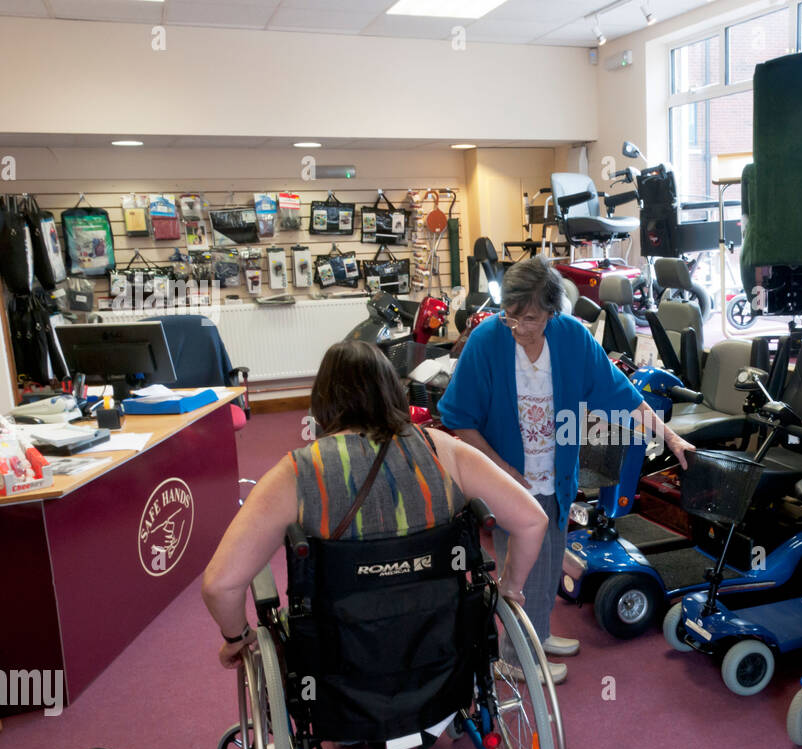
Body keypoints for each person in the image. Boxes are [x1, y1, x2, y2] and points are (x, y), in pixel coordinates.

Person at [203, 339, 549, 674]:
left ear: (321, 401)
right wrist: (510, 587)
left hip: (343, 665)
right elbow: (532, 520)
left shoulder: (296, 473)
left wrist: (237, 637)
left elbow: (221, 585)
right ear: (391, 390)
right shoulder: (443, 449)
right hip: (443, 649)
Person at [437, 256, 696, 671]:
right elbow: (458, 420)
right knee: (518, 569)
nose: (520, 327)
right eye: (512, 316)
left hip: (556, 475)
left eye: (532, 318)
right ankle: (514, 658)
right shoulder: (488, 340)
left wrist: (670, 435)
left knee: (550, 559)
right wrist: (501, 469)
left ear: (553, 313)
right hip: (506, 479)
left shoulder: (572, 338)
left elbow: (623, 394)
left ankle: (536, 636)